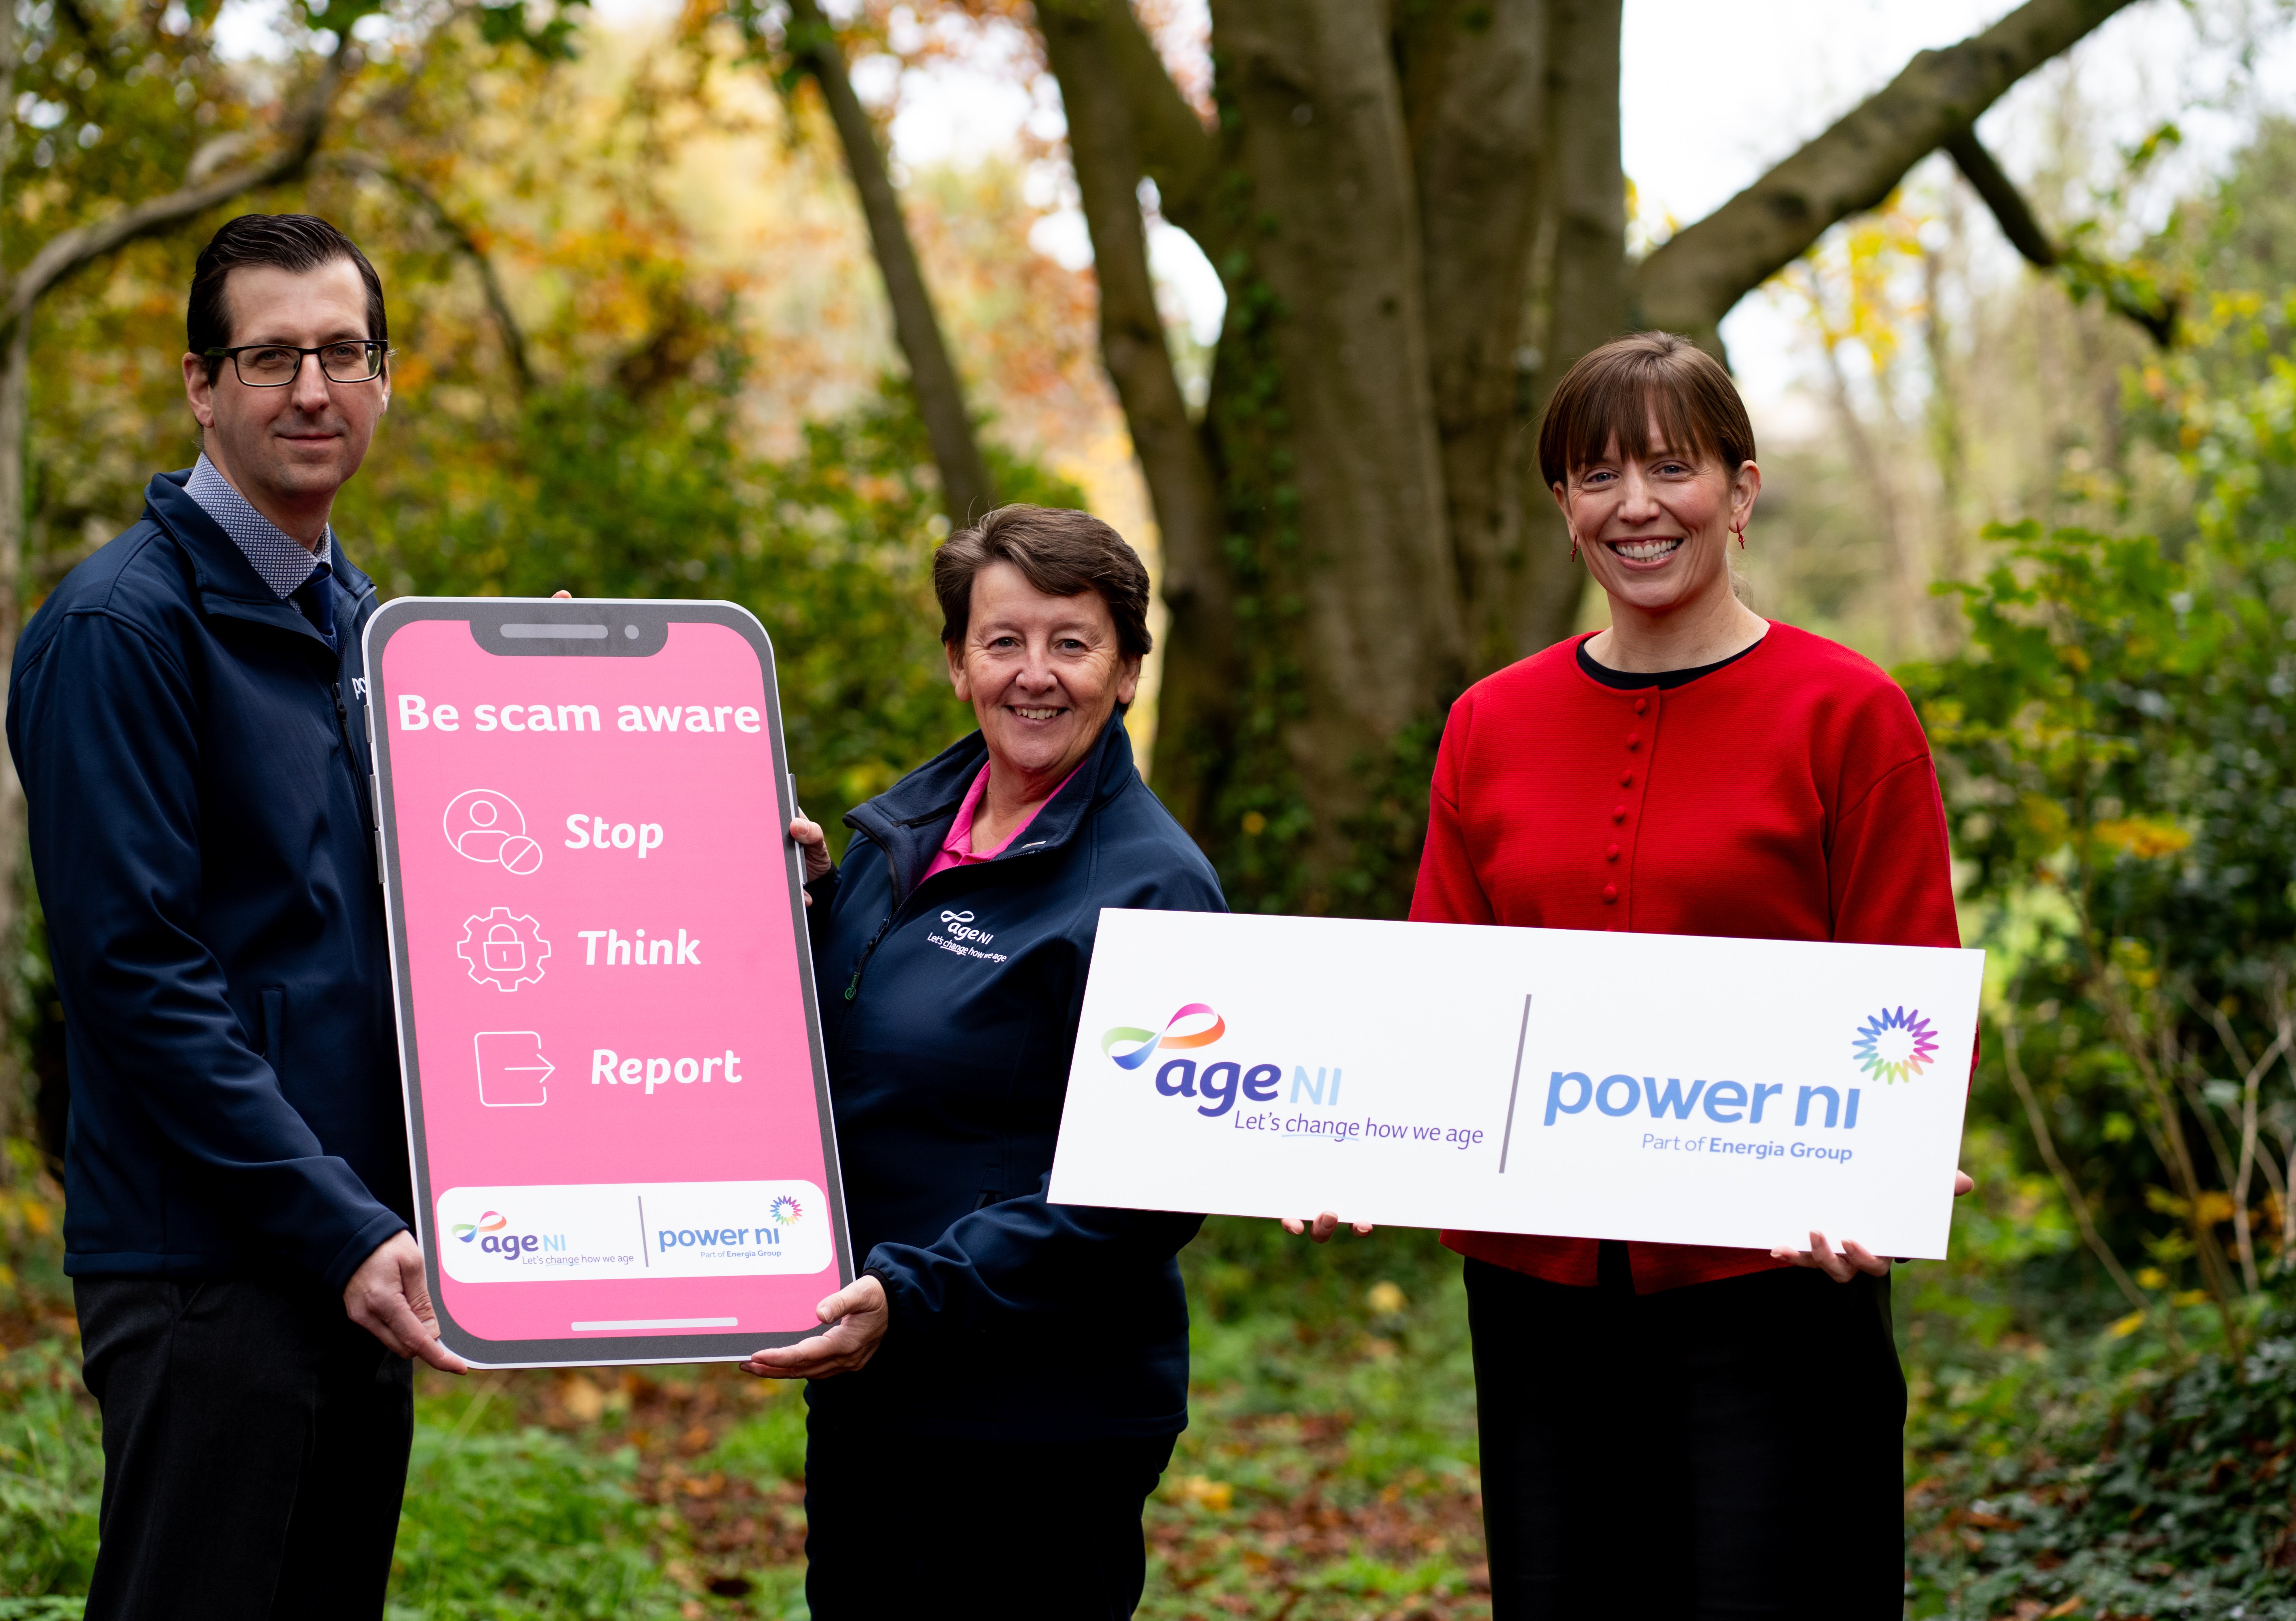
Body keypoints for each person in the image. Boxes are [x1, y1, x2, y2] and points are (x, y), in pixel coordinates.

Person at [1306, 331, 1971, 1618]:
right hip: (1539, 1293)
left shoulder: (1849, 713)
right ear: (1563, 508)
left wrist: (1887, 1160)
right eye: (1596, 476)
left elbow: (1909, 990)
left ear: (1742, 489)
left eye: (1673, 467)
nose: (1636, 506)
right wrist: (1354, 1139)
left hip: (1775, 1278)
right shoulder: (1489, 723)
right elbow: (1441, 989)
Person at [7, 213, 465, 1621]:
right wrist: (336, 1224)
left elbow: (426, 904)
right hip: (209, 1262)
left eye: (345, 352)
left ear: (384, 379)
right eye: (272, 356)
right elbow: (138, 975)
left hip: (353, 1249)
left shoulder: (361, 627)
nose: (313, 390)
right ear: (203, 385)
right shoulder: (122, 631)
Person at [748, 505, 1225, 1619]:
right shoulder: (900, 838)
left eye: (1074, 642)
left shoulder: (1155, 885)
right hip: (877, 1386)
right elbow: (858, 1051)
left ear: (1129, 674)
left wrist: (914, 1294)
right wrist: (812, 910)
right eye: (1004, 641)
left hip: (1040, 1419)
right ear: (958, 663)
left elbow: (1148, 1194)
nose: (1036, 675)